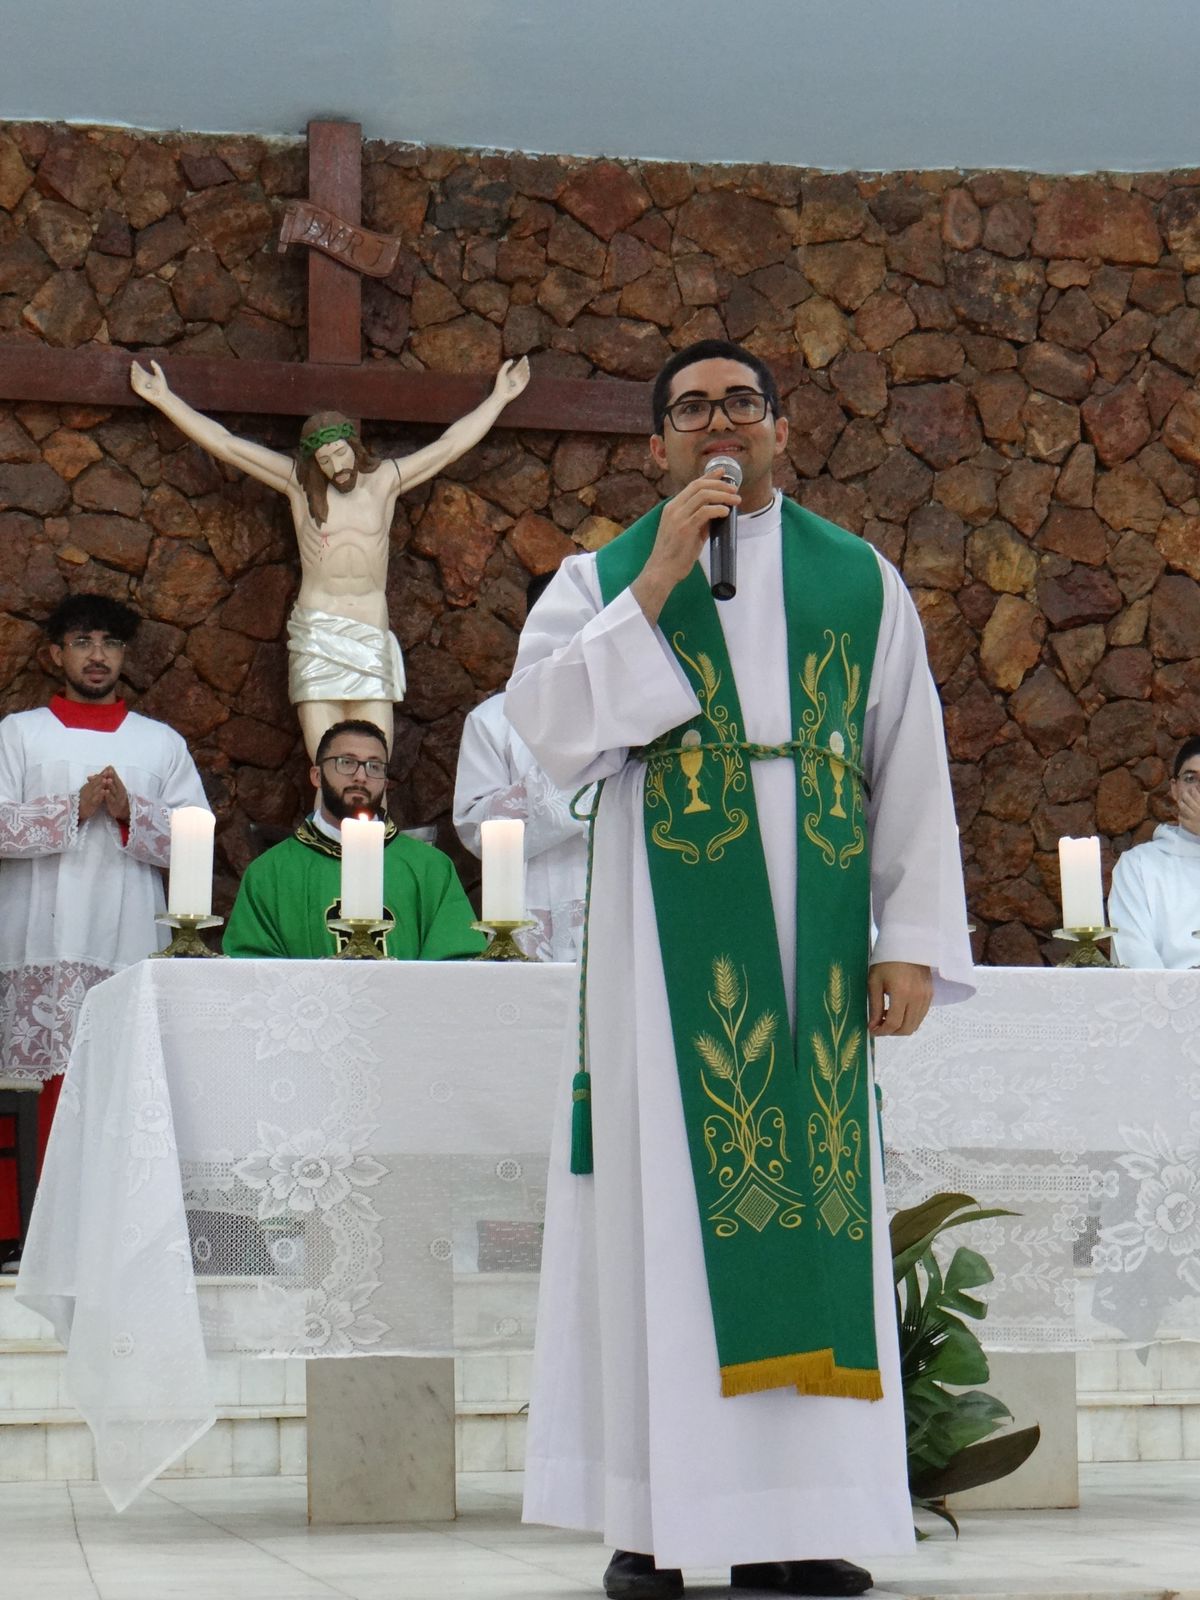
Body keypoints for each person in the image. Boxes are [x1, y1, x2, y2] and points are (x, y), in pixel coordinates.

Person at [505, 339, 975, 1599]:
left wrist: (910, 937)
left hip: (816, 944)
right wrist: (659, 576)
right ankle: (649, 1518)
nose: (721, 423)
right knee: (658, 1211)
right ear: (656, 444)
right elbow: (549, 730)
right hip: (662, 956)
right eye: (693, 408)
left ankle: (795, 1523)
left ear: (783, 428)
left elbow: (907, 756)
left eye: (743, 402)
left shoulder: (858, 578)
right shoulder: (602, 578)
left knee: (808, 1208)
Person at [129, 355, 531, 760]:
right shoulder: (299, 487)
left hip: (370, 631)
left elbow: (449, 447)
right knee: (325, 759)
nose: (336, 467)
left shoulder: (385, 481)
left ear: (353, 447)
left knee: (374, 761)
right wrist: (165, 399)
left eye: (340, 453)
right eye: (324, 461)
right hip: (317, 631)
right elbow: (228, 445)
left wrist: (500, 397)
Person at [0, 593, 208, 1260]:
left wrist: (129, 813)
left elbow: (196, 839)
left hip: (126, 936)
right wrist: (73, 807)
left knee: (121, 1085)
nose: (98, 656)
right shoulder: (18, 734)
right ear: (54, 654)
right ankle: (25, 1234)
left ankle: (117, 1236)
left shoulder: (159, 743)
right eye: (83, 642)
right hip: (37, 937)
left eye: (111, 644)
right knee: (36, 1087)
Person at [224, 719, 483, 959]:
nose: (361, 776)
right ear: (316, 776)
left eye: (374, 766)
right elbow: (251, 968)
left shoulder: (431, 868)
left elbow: (458, 964)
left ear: (385, 782)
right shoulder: (270, 873)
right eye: (346, 762)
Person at [453, 576, 589, 963]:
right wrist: (579, 782)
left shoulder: (626, 717)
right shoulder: (493, 720)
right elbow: (475, 826)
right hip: (528, 906)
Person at [1109, 738, 1200, 969]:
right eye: (1191, 778)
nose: (1199, 789)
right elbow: (1134, 953)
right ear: (1174, 789)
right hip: (1165, 990)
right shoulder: (1138, 865)